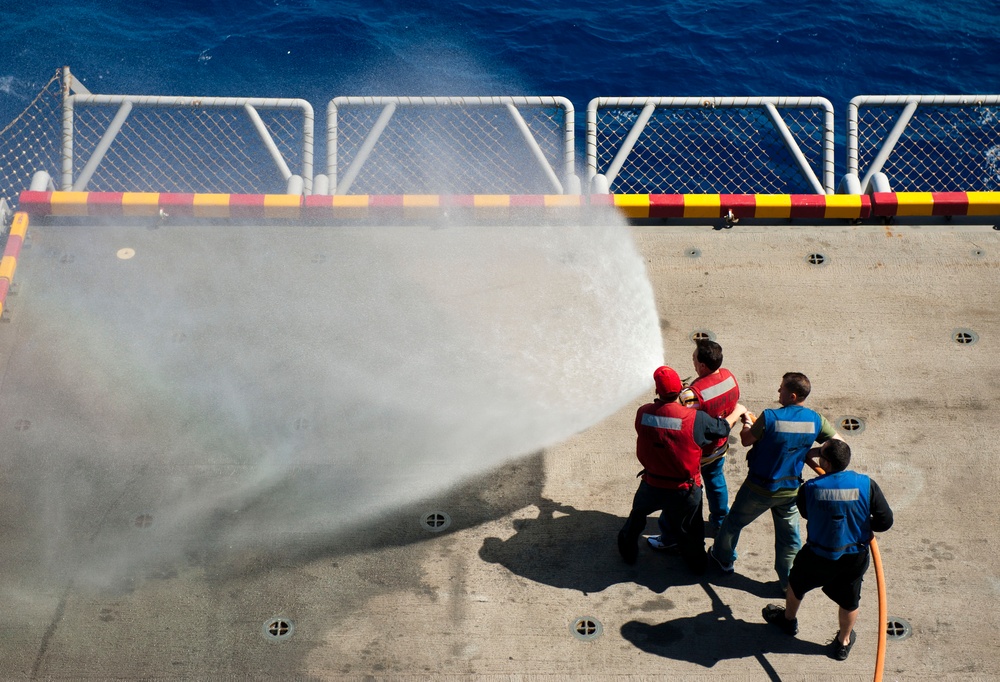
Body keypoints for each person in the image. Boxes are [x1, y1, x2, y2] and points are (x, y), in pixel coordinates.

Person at [762, 439, 893, 661]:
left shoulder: (810, 489)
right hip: (853, 556)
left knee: (796, 584)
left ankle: (788, 620)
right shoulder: (866, 484)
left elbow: (805, 513)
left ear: (825, 462)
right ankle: (843, 642)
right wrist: (862, 525)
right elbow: (885, 521)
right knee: (850, 600)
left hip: (817, 555)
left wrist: (813, 453)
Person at [709, 372, 840, 592]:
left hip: (758, 489)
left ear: (792, 395)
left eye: (782, 389)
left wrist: (748, 422)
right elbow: (838, 444)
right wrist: (813, 452)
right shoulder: (816, 420)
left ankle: (722, 557)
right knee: (789, 540)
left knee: (733, 523)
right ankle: (789, 583)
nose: (778, 391)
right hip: (789, 491)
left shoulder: (770, 417)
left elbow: (746, 440)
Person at [618, 365, 747, 574]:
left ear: (657, 392)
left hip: (652, 484)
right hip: (685, 489)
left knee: (635, 520)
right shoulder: (695, 419)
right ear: (681, 389)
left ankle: (628, 553)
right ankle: (696, 567)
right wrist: (739, 410)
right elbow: (722, 428)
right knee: (692, 532)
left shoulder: (643, 413)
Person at [649, 340, 740, 550]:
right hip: (719, 446)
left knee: (680, 494)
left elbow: (677, 416)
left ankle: (669, 535)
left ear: (702, 366)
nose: (692, 360)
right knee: (717, 484)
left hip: (697, 454)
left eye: (694, 358)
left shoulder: (690, 395)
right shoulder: (729, 377)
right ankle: (719, 521)